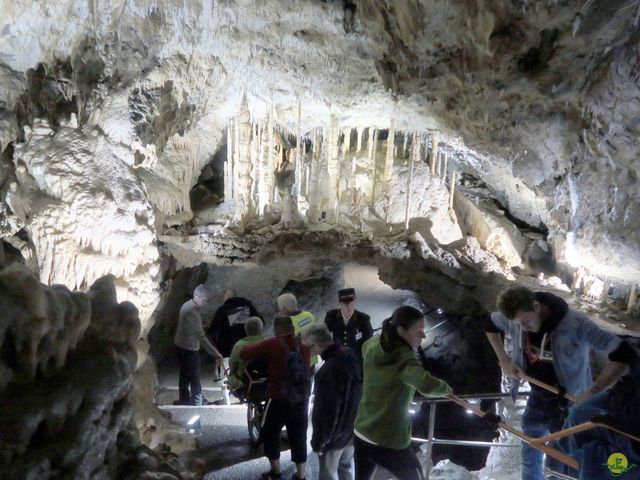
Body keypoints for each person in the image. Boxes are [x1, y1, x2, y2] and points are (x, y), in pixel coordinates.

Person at [483, 286, 637, 480]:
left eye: (526, 322)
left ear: (537, 306)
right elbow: (489, 324)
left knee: (563, 462)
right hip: (537, 397)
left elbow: (623, 353)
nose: (523, 328)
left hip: (568, 404)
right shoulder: (518, 316)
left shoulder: (575, 324)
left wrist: (594, 390)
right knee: (531, 447)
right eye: (517, 324)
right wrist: (504, 360)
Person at [353, 306, 453, 480]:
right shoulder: (404, 358)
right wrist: (447, 389)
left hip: (362, 431)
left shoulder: (374, 343)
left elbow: (363, 348)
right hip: (388, 439)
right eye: (419, 331)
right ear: (401, 331)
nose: (423, 336)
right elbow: (426, 384)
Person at [240, 316, 312, 480]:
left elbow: (245, 353)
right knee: (299, 435)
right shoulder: (305, 342)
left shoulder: (271, 343)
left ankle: (276, 472)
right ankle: (300, 476)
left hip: (279, 397)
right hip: (302, 397)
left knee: (269, 431)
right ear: (292, 328)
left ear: (276, 330)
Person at [556, 359, 639, 480]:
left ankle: (587, 462)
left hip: (632, 435)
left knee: (599, 463)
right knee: (578, 415)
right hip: (629, 394)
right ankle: (577, 461)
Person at [302, 323, 363, 480]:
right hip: (353, 428)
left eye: (310, 347)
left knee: (328, 474)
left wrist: (319, 441)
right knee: (347, 469)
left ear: (317, 344)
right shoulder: (350, 355)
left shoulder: (328, 370)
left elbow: (327, 411)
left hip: (335, 436)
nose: (311, 351)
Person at [173, 284, 223, 406]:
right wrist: (216, 353)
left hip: (180, 344)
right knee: (194, 375)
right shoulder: (193, 310)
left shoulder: (186, 304)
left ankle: (184, 399)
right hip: (189, 347)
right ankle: (197, 400)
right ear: (197, 296)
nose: (204, 303)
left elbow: (192, 327)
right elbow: (200, 336)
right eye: (204, 300)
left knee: (184, 374)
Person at [208, 288, 262, 358]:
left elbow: (213, 331)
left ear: (226, 296)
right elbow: (260, 321)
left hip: (229, 350)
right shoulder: (247, 306)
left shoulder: (223, 310)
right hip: (249, 345)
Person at [324, 288, 373, 359]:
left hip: (357, 358)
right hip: (337, 357)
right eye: (345, 303)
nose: (348, 307)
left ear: (355, 300)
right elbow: (324, 334)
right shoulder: (332, 316)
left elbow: (368, 340)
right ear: (339, 302)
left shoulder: (363, 318)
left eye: (351, 303)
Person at [227, 316, 266, 394]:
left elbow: (232, 365)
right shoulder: (268, 343)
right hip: (266, 383)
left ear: (246, 329)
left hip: (245, 385)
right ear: (262, 329)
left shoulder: (239, 346)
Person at [277, 293, 318, 366]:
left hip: (299, 363)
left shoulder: (286, 322)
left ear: (284, 308)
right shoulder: (309, 315)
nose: (279, 310)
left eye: (279, 307)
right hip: (313, 359)